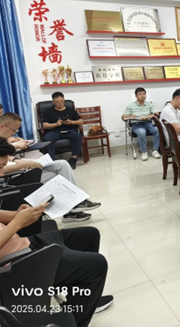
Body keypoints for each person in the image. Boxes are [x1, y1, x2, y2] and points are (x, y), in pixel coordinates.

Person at [0, 137, 113, 327]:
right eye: (0, 167)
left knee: (88, 235)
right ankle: (76, 320)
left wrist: (14, 215)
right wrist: (17, 223)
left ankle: (81, 299)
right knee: (97, 264)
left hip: (22, 244)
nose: (2, 173)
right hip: (14, 263)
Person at [0, 113, 100, 222]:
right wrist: (25, 164)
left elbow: (5, 155)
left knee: (62, 164)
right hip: (10, 179)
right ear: (2, 126)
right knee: (57, 176)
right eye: (13, 130)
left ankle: (77, 203)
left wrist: (15, 159)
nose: (14, 133)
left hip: (20, 170)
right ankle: (72, 209)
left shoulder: (3, 140)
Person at [41, 92, 83, 169]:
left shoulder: (71, 110)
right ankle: (53, 162)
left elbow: (81, 121)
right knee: (46, 140)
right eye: (57, 102)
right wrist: (56, 124)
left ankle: (73, 159)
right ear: (53, 102)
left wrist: (71, 122)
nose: (60, 103)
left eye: (62, 101)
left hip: (69, 131)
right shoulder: (48, 112)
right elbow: (45, 125)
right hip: (54, 132)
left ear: (64, 100)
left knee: (77, 136)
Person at [122, 87, 160, 161]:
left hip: (148, 123)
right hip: (136, 124)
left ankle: (155, 150)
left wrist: (147, 117)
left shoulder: (149, 104)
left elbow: (156, 114)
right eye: (140, 94)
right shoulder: (131, 105)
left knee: (158, 130)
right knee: (142, 132)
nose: (142, 96)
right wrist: (131, 116)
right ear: (136, 96)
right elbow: (123, 117)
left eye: (144, 94)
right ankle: (144, 152)